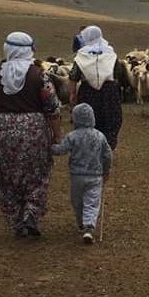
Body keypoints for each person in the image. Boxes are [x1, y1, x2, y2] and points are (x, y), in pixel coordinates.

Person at [0, 32, 62, 238]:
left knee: (6, 175)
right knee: (37, 173)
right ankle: (31, 214)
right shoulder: (39, 75)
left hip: (1, 131)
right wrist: (57, 136)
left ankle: (16, 219)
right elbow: (53, 108)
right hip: (34, 130)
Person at [52, 103, 113, 244]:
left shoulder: (72, 136)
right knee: (92, 202)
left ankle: (81, 223)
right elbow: (108, 154)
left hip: (77, 176)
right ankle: (89, 227)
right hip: (95, 175)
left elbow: (61, 150)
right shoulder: (100, 136)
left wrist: (49, 148)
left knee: (77, 201)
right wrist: (106, 170)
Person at [68, 26, 123, 149]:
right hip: (109, 92)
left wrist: (72, 93)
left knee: (88, 119)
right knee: (111, 118)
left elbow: (73, 76)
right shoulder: (110, 53)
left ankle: (89, 148)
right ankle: (107, 147)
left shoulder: (81, 55)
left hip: (88, 93)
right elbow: (118, 72)